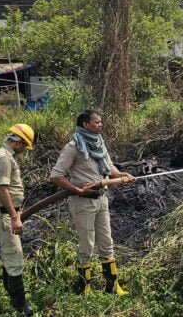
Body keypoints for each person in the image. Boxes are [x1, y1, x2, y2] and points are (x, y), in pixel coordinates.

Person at [49, 110, 135, 295]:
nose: (100, 125)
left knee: (106, 242)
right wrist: (77, 189)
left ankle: (112, 286)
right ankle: (84, 288)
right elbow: (56, 175)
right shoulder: (73, 147)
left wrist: (121, 175)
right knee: (86, 244)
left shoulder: (99, 144)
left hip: (101, 199)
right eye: (97, 122)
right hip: (83, 202)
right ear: (85, 125)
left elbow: (109, 166)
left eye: (101, 122)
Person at [0, 124, 36, 316]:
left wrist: (17, 210)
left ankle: (11, 296)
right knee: (15, 255)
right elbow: (3, 189)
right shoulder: (4, 158)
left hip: (8, 213)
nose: (24, 150)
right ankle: (20, 303)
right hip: (5, 215)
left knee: (10, 253)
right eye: (24, 146)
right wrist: (15, 217)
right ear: (18, 142)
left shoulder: (5, 156)